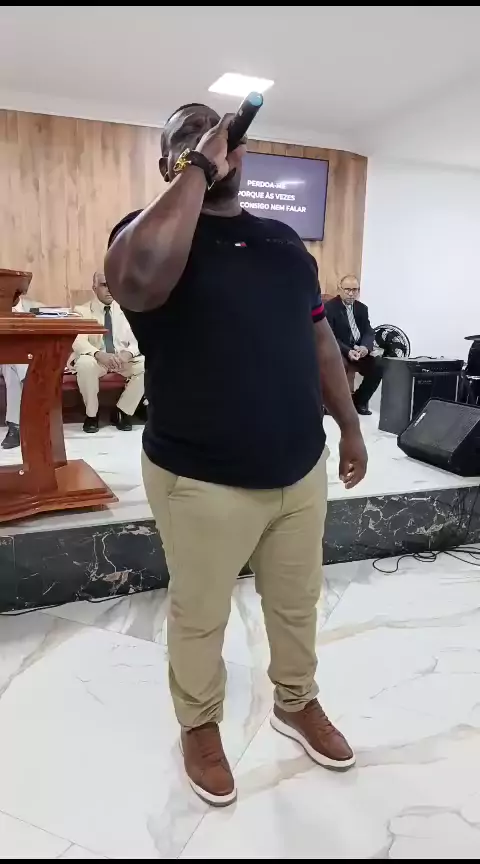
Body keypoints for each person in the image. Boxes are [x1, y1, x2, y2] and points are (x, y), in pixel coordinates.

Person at [104, 103, 368, 807]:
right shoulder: (144, 236)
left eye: (223, 136)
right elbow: (140, 282)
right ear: (170, 163)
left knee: (297, 602)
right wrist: (200, 165)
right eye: (188, 138)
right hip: (201, 476)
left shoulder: (285, 245)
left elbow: (319, 341)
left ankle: (296, 700)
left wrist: (349, 425)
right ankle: (199, 724)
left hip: (298, 466)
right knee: (201, 612)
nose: (215, 145)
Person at [72, 272, 145, 433]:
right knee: (84, 364)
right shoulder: (82, 311)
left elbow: (139, 339)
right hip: (97, 359)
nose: (110, 289)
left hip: (121, 360)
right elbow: (78, 341)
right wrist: (99, 354)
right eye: (104, 285)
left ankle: (122, 411)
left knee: (147, 365)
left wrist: (128, 354)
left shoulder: (127, 310)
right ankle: (92, 415)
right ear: (94, 288)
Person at [325, 275, 383, 415]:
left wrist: (365, 347)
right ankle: (334, 405)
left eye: (354, 290)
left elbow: (368, 331)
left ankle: (359, 401)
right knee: (340, 365)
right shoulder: (329, 308)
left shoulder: (362, 308)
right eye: (347, 289)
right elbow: (330, 336)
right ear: (340, 289)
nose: (351, 293)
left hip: (358, 350)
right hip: (339, 350)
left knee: (378, 366)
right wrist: (347, 351)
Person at [1, 294, 43, 450]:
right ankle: (31, 385)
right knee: (12, 359)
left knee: (12, 363)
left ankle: (15, 427)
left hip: (25, 360)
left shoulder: (36, 308)